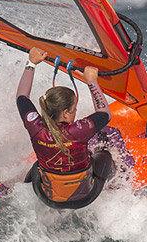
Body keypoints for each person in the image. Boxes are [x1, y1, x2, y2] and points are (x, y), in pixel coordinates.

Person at [16, 47, 115, 209]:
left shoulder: (34, 126)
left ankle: (21, 187)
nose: (76, 111)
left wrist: (31, 64)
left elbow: (21, 97)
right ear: (66, 113)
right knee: (103, 155)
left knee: (37, 166)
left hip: (47, 198)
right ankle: (117, 186)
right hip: (84, 198)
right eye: (74, 108)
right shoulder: (79, 130)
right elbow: (104, 113)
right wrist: (92, 82)